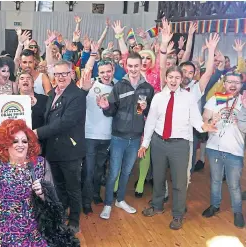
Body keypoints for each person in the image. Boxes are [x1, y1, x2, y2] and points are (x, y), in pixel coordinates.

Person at [139, 66, 216, 230]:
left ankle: (178, 215)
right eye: (170, 77)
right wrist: (145, 143)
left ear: (181, 80)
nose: (173, 81)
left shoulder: (189, 98)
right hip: (158, 142)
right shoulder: (158, 97)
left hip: (180, 145)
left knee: (179, 182)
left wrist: (205, 127)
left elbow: (196, 120)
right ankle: (157, 206)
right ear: (166, 78)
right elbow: (151, 121)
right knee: (158, 177)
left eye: (177, 78)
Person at [97, 52, 154, 219]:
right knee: (113, 172)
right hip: (118, 137)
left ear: (141, 66)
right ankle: (108, 203)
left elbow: (151, 114)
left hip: (136, 138)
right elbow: (111, 112)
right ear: (125, 66)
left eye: (137, 66)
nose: (134, 69)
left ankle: (120, 200)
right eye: (130, 66)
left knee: (127, 172)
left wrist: (146, 110)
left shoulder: (148, 88)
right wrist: (106, 106)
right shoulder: (119, 86)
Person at [33, 60, 86, 234]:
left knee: (72, 187)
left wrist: (37, 133)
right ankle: (61, 214)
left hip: (70, 151)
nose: (61, 77)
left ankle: (75, 219)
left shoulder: (77, 95)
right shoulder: (52, 94)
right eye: (57, 74)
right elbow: (48, 119)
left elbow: (65, 123)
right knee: (57, 186)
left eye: (64, 73)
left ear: (72, 74)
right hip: (53, 150)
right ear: (53, 76)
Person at [202, 72, 245, 228]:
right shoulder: (215, 99)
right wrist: (213, 118)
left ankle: (238, 212)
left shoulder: (244, 101)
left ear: (242, 84)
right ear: (224, 83)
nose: (233, 85)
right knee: (215, 180)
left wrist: (240, 119)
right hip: (214, 147)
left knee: (234, 184)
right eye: (229, 82)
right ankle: (215, 205)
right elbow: (203, 119)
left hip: (235, 150)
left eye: (237, 82)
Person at [80, 60, 115, 215]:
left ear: (113, 70)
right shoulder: (90, 84)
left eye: (108, 71)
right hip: (89, 135)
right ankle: (86, 200)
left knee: (100, 169)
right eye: (102, 72)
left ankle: (95, 194)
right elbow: (80, 95)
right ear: (97, 73)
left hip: (107, 136)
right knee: (88, 170)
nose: (106, 75)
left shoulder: (117, 86)